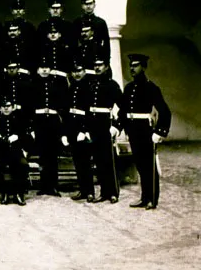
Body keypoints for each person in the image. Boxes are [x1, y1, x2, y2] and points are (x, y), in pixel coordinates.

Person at [117, 53, 171, 209]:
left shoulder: (151, 87)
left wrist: (159, 132)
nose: (132, 68)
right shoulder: (128, 88)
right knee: (140, 165)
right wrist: (117, 126)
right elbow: (124, 111)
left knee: (149, 166)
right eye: (131, 65)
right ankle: (144, 197)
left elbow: (165, 111)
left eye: (136, 65)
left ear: (144, 67)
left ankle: (152, 199)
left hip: (146, 131)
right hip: (132, 131)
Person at [30, 61, 69, 196]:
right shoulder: (33, 84)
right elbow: (29, 106)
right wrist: (31, 126)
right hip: (39, 122)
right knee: (42, 155)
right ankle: (43, 185)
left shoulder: (56, 84)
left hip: (53, 121)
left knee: (52, 155)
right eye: (42, 67)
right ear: (38, 70)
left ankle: (53, 186)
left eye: (47, 68)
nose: (45, 70)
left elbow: (62, 104)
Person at [87, 58, 122, 203]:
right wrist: (86, 128)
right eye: (95, 65)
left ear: (106, 67)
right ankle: (103, 192)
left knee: (109, 160)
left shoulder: (112, 85)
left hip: (105, 124)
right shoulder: (90, 84)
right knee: (98, 160)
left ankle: (113, 192)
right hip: (93, 125)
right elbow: (86, 108)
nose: (97, 68)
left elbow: (124, 107)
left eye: (100, 65)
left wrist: (116, 126)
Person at [0, 99, 29, 206]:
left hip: (15, 152)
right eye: (3, 106)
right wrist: (1, 139)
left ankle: (18, 193)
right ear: (0, 108)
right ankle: (4, 192)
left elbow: (26, 137)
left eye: (8, 106)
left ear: (12, 107)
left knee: (23, 165)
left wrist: (18, 137)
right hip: (0, 153)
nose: (6, 108)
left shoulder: (18, 120)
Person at [65, 64, 96, 202]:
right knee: (77, 161)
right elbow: (67, 111)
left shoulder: (89, 87)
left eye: (79, 71)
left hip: (84, 129)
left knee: (85, 161)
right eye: (74, 71)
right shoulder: (71, 87)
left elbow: (90, 111)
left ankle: (90, 191)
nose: (76, 74)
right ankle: (82, 190)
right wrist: (66, 132)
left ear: (84, 71)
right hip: (72, 127)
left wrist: (84, 130)